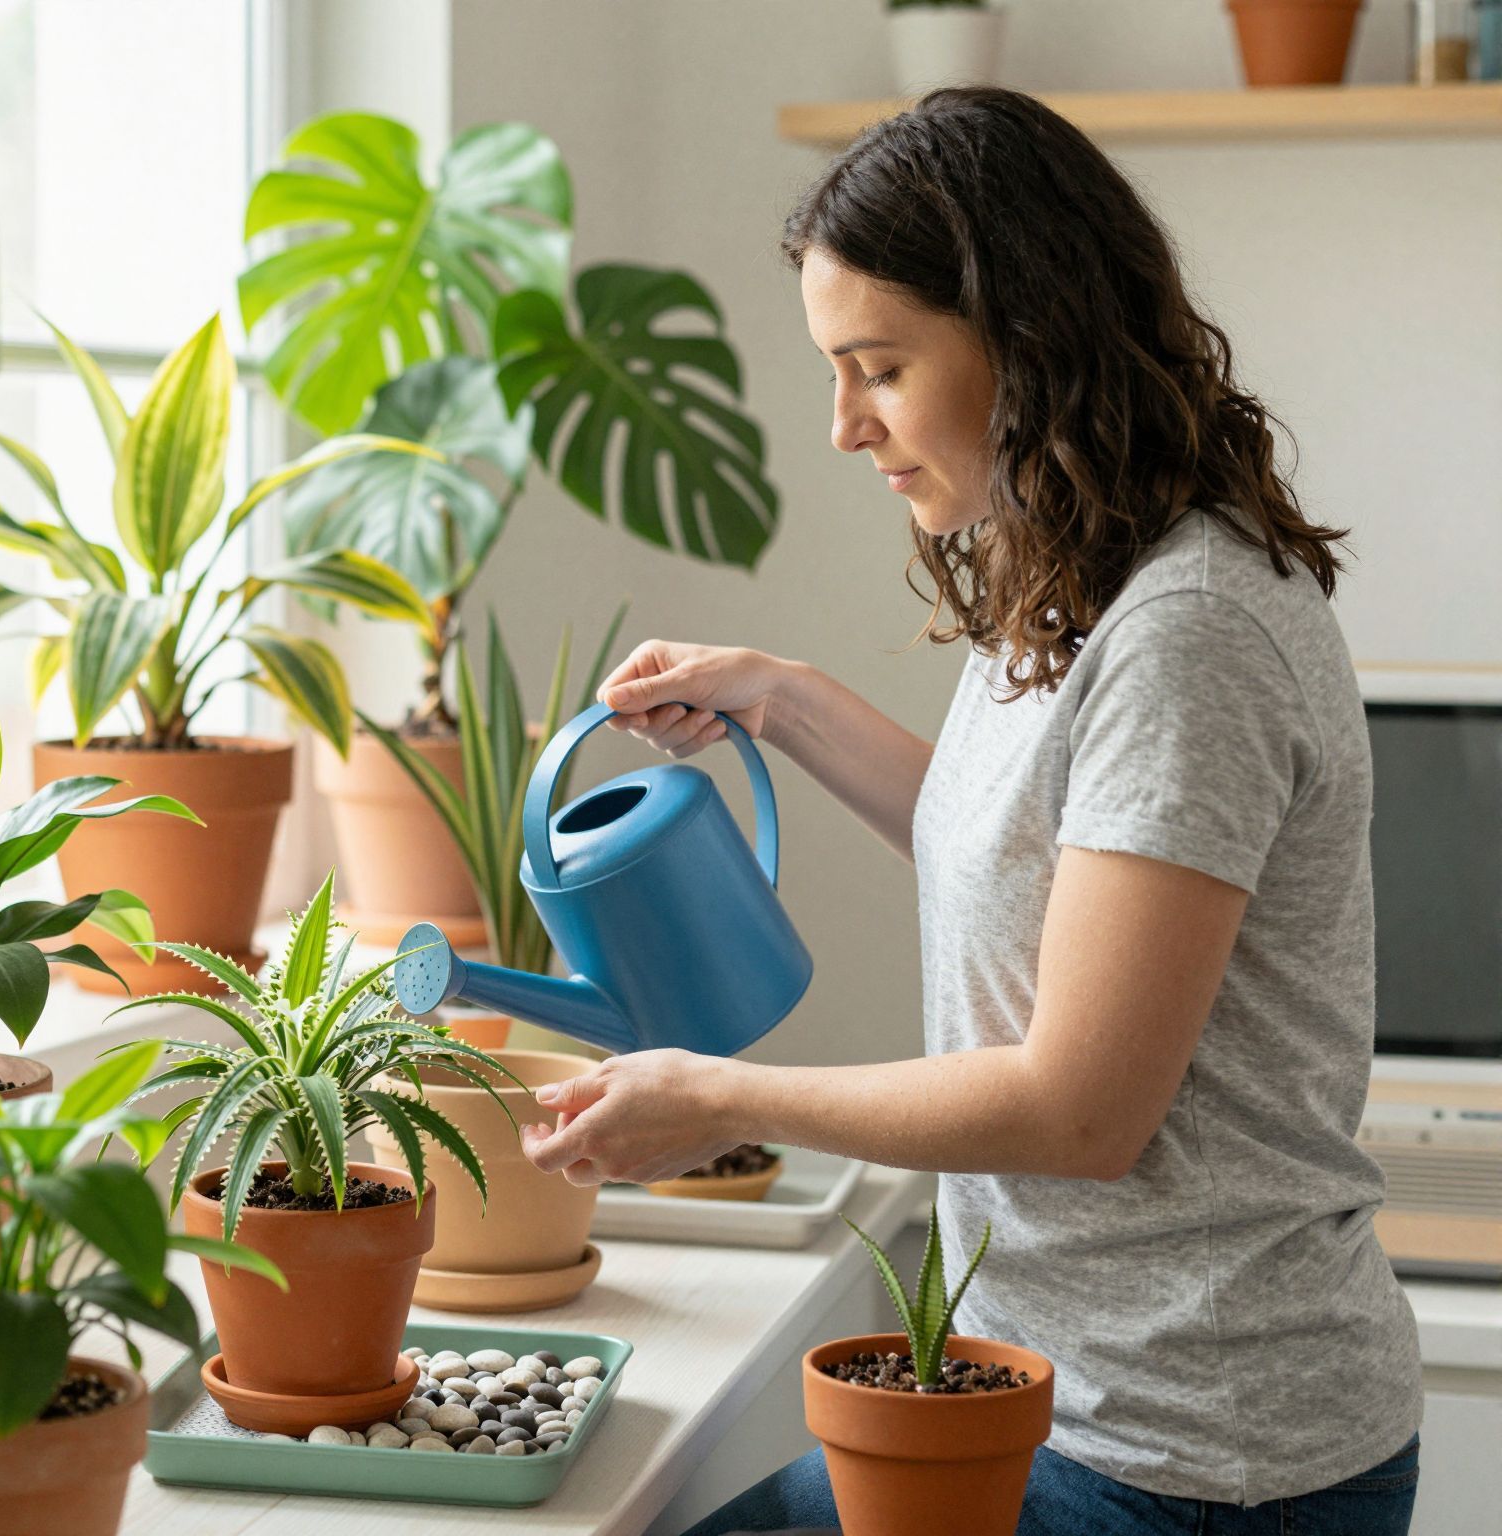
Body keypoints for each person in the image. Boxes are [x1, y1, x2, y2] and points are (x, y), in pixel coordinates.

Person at [518, 86, 1423, 1535]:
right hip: (1055, 1406)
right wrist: (786, 699)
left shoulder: (1188, 630)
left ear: (1033, 337)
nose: (842, 424)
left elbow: (1078, 1107)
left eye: (876, 365)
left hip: (1198, 1463)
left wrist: (722, 1099)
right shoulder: (1079, 576)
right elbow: (1020, 853)